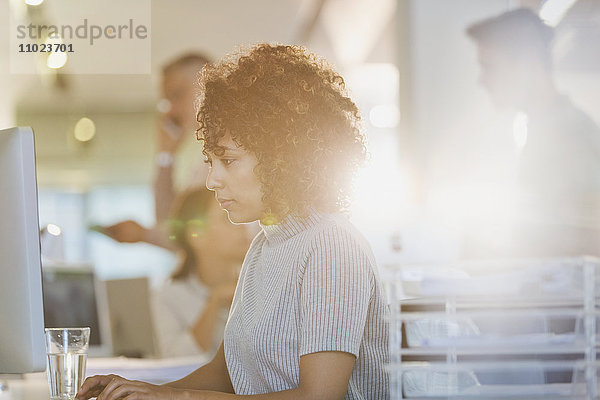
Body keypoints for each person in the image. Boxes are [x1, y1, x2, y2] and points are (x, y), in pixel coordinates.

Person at [76, 43, 389, 399]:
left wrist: (174, 398)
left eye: (228, 160)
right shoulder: (263, 246)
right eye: (210, 162)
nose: (212, 181)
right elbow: (225, 374)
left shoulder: (332, 245)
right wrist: (141, 391)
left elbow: (319, 397)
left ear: (281, 157)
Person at [466, 8, 600, 258]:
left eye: (489, 66)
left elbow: (592, 241)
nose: (481, 80)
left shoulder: (570, 135)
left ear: (527, 64)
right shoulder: (542, 131)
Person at [100, 53, 212, 249]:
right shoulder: (205, 162)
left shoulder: (240, 149)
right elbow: (173, 227)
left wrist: (143, 234)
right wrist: (165, 155)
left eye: (176, 95)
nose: (170, 111)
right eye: (166, 101)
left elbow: (186, 237)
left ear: (208, 82)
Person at [152, 188, 251, 358]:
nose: (242, 227)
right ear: (197, 235)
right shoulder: (168, 295)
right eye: (227, 219)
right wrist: (215, 301)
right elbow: (174, 361)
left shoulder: (259, 283)